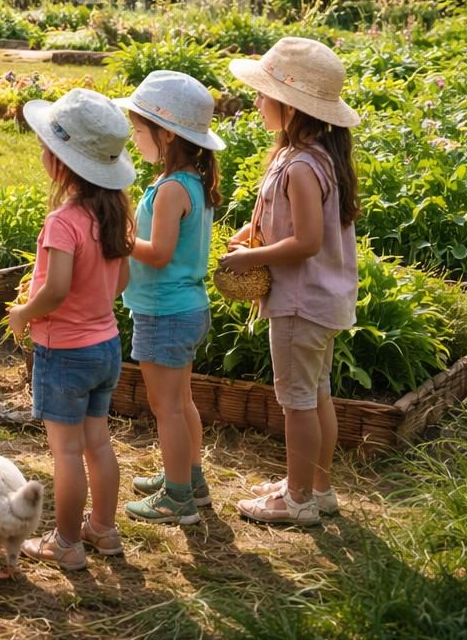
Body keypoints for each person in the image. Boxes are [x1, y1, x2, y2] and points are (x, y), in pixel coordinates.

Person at [222, 37, 360, 526]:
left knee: (297, 404)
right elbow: (283, 220)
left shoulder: (302, 166)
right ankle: (318, 488)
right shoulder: (310, 155)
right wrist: (249, 233)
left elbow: (304, 242)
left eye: (262, 94)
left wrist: (250, 258)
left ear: (290, 104)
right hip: (321, 301)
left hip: (300, 303)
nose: (257, 101)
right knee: (317, 395)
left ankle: (297, 500)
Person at [6, 88, 134, 571]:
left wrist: (24, 313)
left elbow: (56, 290)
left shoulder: (63, 221)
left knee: (66, 452)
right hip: (105, 345)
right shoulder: (115, 213)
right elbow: (121, 279)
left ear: (61, 163)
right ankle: (102, 529)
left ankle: (66, 543)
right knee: (98, 443)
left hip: (65, 352)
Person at [113, 71, 224, 526]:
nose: (135, 138)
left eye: (139, 131)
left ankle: (176, 498)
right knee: (182, 401)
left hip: (164, 311)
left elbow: (157, 254)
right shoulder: (191, 182)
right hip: (187, 307)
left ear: (165, 134)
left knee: (167, 409)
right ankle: (189, 480)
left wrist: (119, 238)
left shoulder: (171, 189)